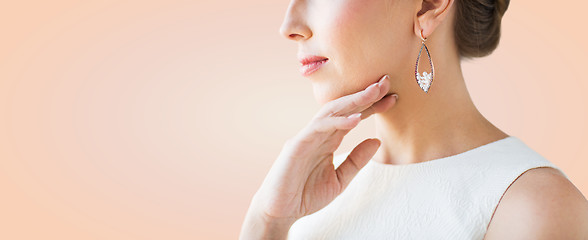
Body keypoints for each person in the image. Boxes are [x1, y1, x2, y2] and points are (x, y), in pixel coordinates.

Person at [239, 0, 588, 239]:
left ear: (428, 5)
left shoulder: (532, 209)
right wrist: (266, 223)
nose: (290, 27)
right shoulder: (307, 198)